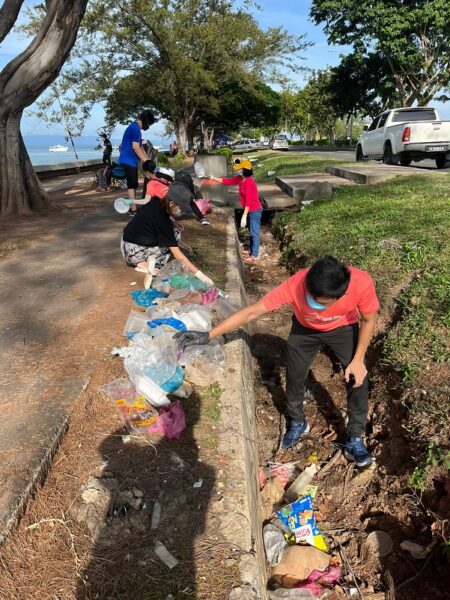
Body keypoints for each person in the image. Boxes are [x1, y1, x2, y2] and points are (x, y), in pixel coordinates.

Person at [174, 256, 379, 467]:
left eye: (321, 303)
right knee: (295, 375)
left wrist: (358, 359)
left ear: (341, 294)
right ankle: (298, 421)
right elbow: (253, 311)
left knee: (358, 379)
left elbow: (369, 320)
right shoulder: (298, 283)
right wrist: (209, 335)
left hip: (343, 329)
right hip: (305, 330)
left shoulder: (360, 283)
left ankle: (355, 436)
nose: (315, 306)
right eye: (310, 298)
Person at [120, 187, 214, 290]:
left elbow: (156, 220)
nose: (181, 212)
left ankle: (144, 259)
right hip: (134, 253)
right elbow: (177, 253)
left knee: (175, 232)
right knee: (172, 239)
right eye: (181, 208)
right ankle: (143, 264)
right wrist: (200, 275)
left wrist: (173, 223)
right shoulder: (162, 221)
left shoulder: (156, 202)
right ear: (171, 204)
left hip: (126, 243)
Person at [212, 158, 262, 262]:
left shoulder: (249, 182)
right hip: (248, 210)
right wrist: (213, 178)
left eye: (239, 169)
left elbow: (248, 200)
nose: (237, 171)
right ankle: (251, 250)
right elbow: (227, 181)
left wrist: (244, 215)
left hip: (254, 211)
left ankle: (255, 255)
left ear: (244, 170)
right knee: (251, 231)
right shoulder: (240, 179)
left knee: (254, 233)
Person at [118, 110, 155, 212]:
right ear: (145, 121)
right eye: (148, 124)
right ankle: (133, 208)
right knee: (131, 184)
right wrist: (146, 162)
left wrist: (147, 159)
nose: (148, 126)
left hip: (131, 160)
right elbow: (135, 147)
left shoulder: (135, 128)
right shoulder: (135, 129)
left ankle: (133, 206)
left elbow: (140, 147)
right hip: (128, 160)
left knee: (134, 184)